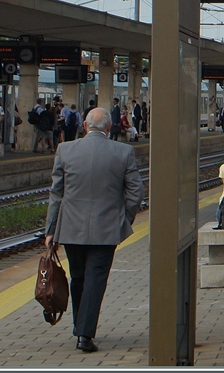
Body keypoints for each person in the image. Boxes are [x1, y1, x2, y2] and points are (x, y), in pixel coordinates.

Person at [44, 107, 145, 353]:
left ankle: (80, 326)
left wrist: (50, 230)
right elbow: (136, 192)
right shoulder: (123, 152)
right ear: (109, 128)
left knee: (78, 278)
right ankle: (84, 334)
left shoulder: (65, 150)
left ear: (85, 127)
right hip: (107, 229)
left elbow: (57, 194)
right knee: (95, 280)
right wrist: (124, 219)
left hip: (71, 229)